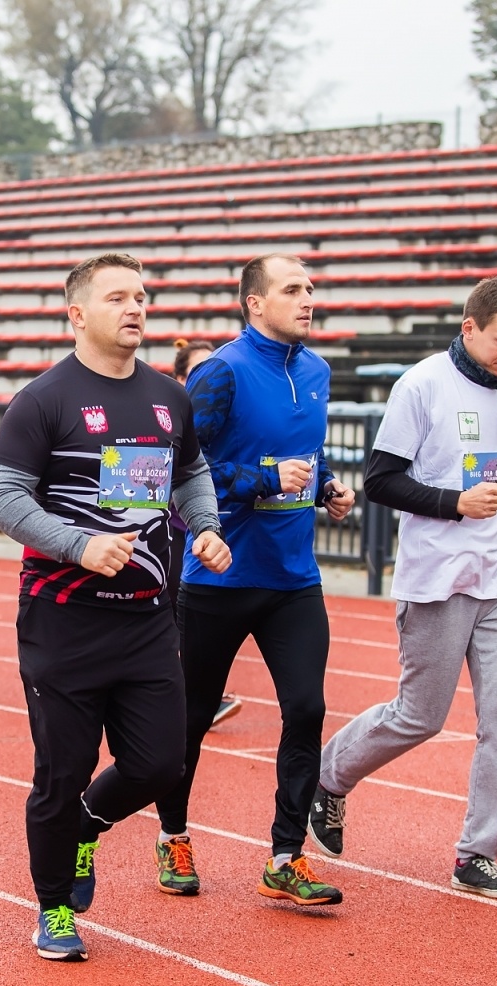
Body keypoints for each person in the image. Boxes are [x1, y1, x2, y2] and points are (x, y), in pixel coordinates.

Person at [0, 253, 229, 962]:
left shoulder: (167, 396)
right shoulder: (44, 399)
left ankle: (88, 825)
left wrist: (205, 527)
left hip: (150, 615)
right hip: (65, 620)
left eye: (142, 296)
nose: (136, 308)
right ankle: (55, 907)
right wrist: (77, 546)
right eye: (118, 297)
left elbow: (191, 473)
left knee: (160, 766)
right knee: (61, 770)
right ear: (77, 314)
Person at [309, 277, 497, 901]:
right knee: (420, 716)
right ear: (469, 328)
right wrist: (455, 503)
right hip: (438, 577)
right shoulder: (420, 385)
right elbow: (380, 482)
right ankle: (330, 777)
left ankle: (478, 854)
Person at [151, 257, 355, 905]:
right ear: (254, 303)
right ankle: (174, 834)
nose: (307, 299)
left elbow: (304, 457)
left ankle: (286, 855)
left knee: (307, 709)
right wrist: (267, 481)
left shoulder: (317, 370)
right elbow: (184, 466)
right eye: (292, 290)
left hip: (294, 578)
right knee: (189, 720)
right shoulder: (221, 371)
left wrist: (326, 488)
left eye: (311, 289)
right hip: (220, 577)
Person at [170, 337, 241, 728]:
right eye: (198, 373)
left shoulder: (225, 416)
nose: (209, 382)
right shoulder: (164, 411)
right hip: (168, 531)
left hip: (205, 531)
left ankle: (193, 696)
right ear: (181, 378)